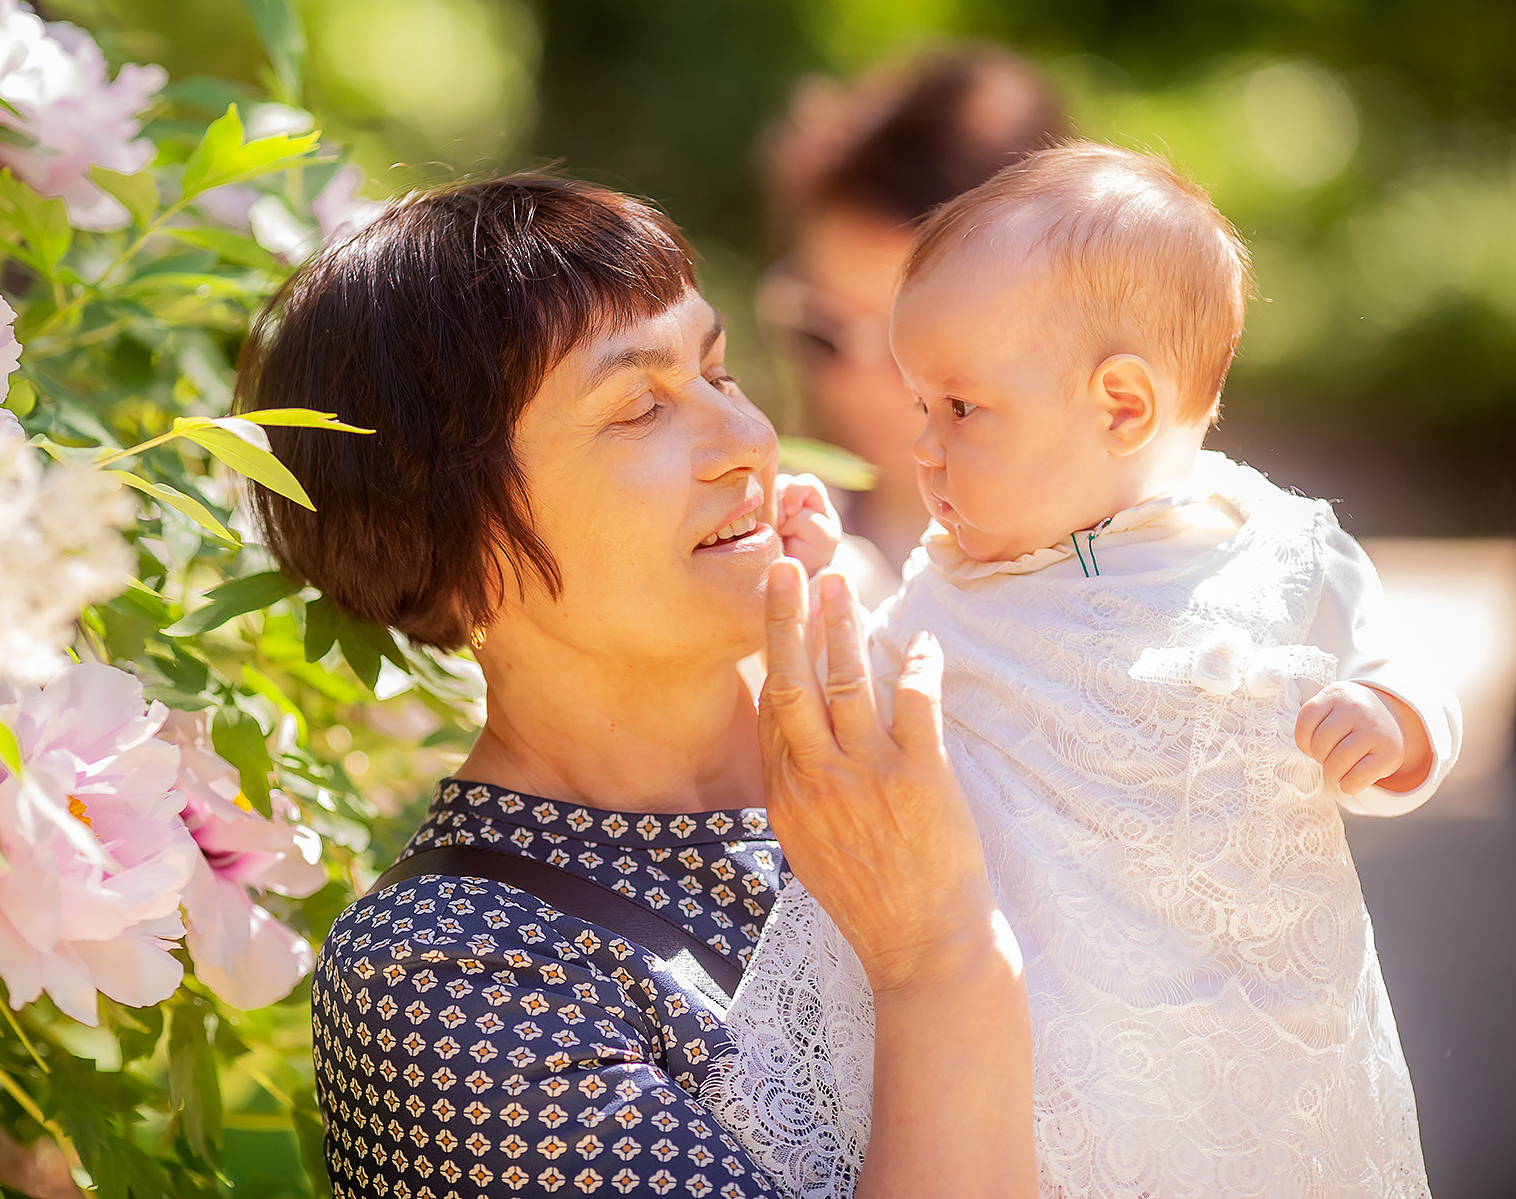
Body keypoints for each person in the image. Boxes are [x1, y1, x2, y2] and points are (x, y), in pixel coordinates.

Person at [234, 175, 1034, 1197]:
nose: (746, 440)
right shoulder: (447, 975)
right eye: (639, 408)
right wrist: (936, 956)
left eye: (716, 370)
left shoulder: (926, 711)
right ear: (451, 545)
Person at [709, 144, 1462, 1197]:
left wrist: (1391, 722)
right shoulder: (953, 583)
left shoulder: (1276, 548)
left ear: (1119, 407)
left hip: (1246, 1047)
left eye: (958, 408)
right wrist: (819, 576)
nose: (921, 446)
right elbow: (877, 707)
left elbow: (1398, 668)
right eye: (920, 406)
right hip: (1048, 1065)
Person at [760, 46, 1066, 604]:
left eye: (907, 343)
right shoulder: (785, 529)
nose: (859, 382)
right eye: (820, 332)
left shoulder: (1116, 562)